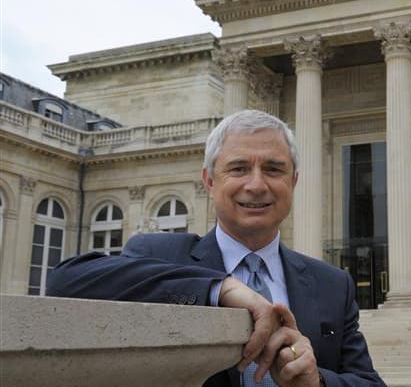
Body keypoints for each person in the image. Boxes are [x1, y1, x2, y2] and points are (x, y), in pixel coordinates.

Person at [47, 110, 385, 387]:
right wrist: (219, 288)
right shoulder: (160, 255)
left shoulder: (331, 284)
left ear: (293, 181)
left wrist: (319, 382)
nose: (256, 184)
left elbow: (369, 382)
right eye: (238, 168)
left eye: (273, 169)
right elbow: (65, 281)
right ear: (209, 181)